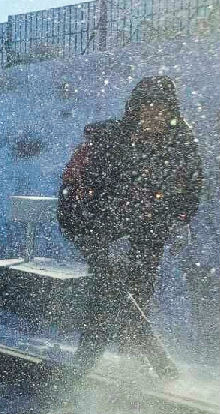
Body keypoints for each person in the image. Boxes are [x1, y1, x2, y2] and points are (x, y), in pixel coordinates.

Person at [58, 76, 203, 377]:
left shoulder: (181, 141)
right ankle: (83, 368)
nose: (153, 116)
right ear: (134, 111)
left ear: (171, 112)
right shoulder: (113, 142)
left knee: (139, 293)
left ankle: (134, 358)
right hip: (100, 225)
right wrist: (95, 238)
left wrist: (181, 220)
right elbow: (84, 194)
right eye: (146, 109)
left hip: (150, 227)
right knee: (107, 292)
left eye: (160, 110)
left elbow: (191, 185)